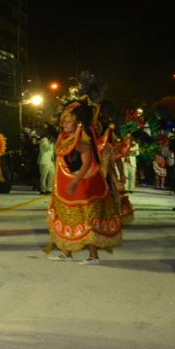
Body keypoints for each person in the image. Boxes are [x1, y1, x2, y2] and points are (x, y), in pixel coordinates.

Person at [45, 97, 123, 264]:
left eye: (69, 121)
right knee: (67, 218)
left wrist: (75, 181)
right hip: (67, 185)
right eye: (64, 121)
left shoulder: (82, 140)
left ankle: (93, 256)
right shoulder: (62, 139)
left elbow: (87, 163)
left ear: (77, 123)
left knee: (88, 221)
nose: (65, 124)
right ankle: (67, 253)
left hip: (83, 185)